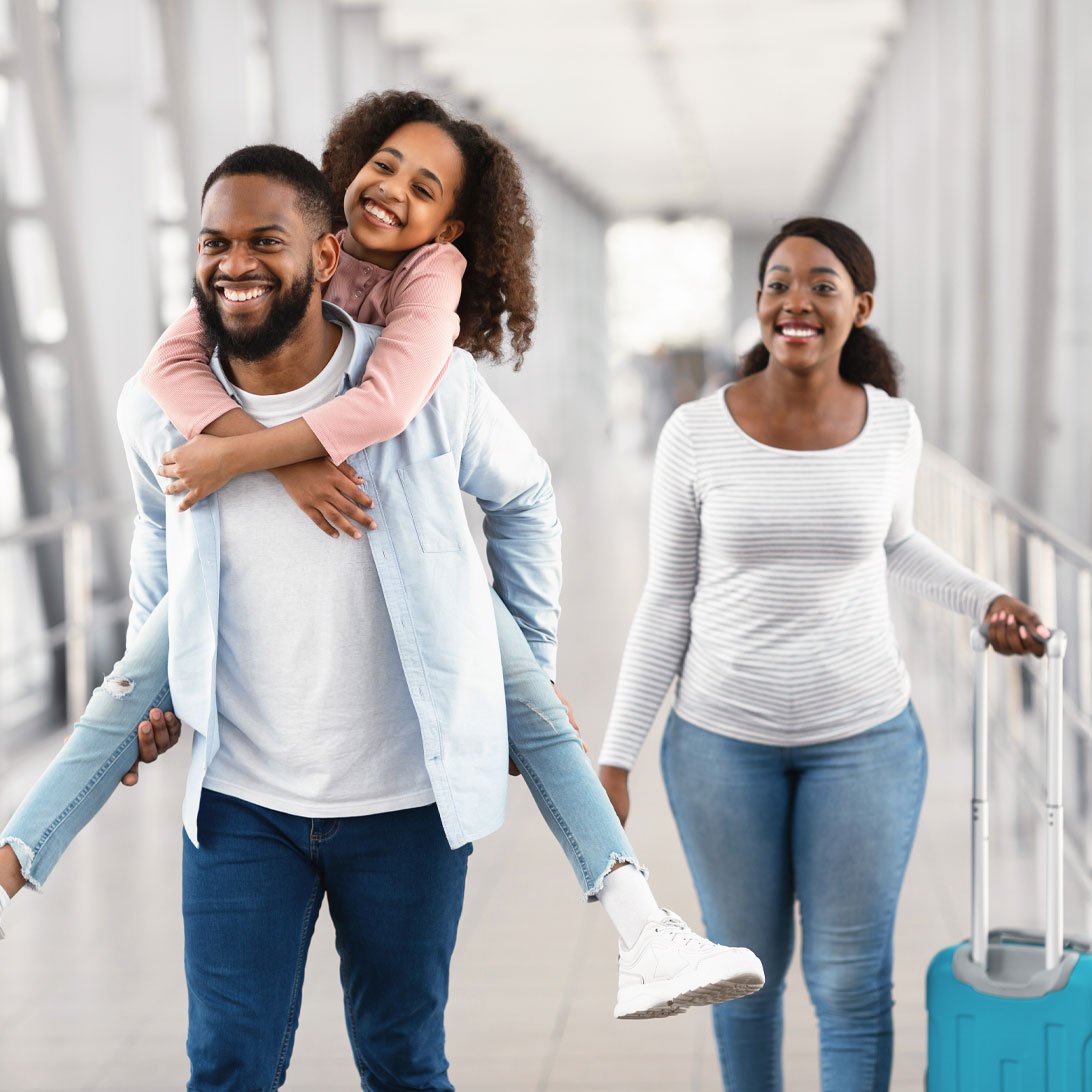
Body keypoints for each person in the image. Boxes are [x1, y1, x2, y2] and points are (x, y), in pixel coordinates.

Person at [0, 100, 761, 1022]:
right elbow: (160, 494)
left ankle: (644, 930)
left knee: (409, 1041)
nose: (393, 193)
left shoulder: (429, 319)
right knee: (127, 687)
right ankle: (13, 860)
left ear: (447, 230)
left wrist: (522, 649)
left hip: (420, 653)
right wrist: (174, 684)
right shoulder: (199, 350)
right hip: (245, 787)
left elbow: (407, 414)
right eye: (385, 166)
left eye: (425, 187)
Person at [597, 217, 1050, 1091]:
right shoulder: (695, 433)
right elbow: (666, 598)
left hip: (866, 739)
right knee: (746, 977)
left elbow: (899, 542)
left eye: (821, 285)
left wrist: (985, 598)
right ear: (759, 302)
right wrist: (616, 756)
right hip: (721, 745)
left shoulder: (892, 425)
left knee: (849, 984)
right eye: (777, 283)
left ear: (860, 308)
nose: (794, 301)